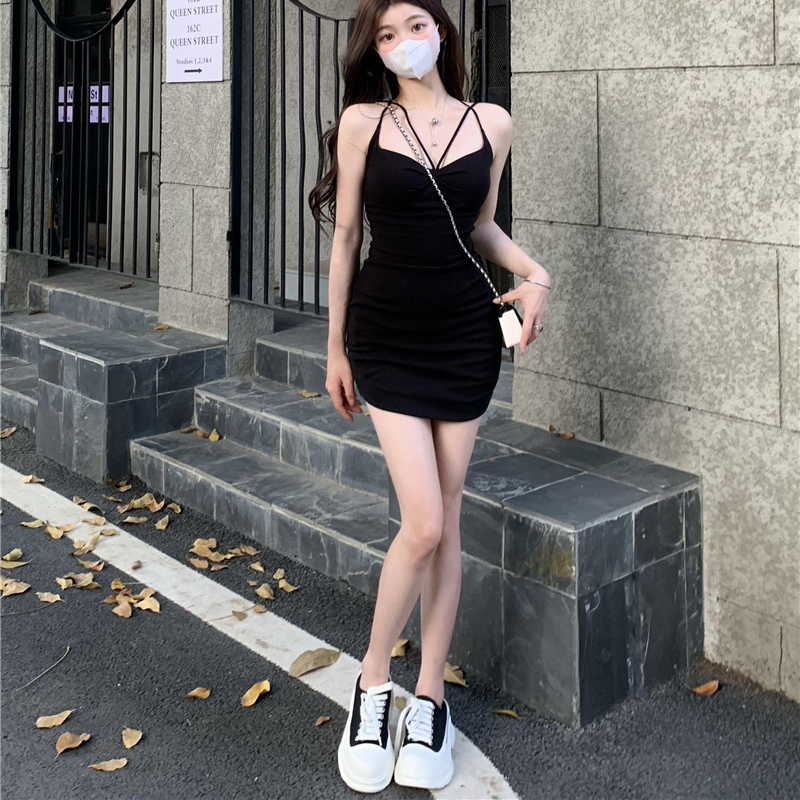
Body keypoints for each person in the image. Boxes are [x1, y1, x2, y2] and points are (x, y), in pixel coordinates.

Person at [309, 0, 551, 792]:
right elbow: (347, 237)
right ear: (373, 51)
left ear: (439, 32)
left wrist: (537, 274)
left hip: (464, 338)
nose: (401, 44)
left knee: (445, 525)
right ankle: (372, 682)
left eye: (413, 27)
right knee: (423, 522)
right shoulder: (362, 124)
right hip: (386, 334)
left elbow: (480, 227)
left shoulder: (492, 124)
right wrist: (335, 347)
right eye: (384, 36)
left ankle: (430, 700)